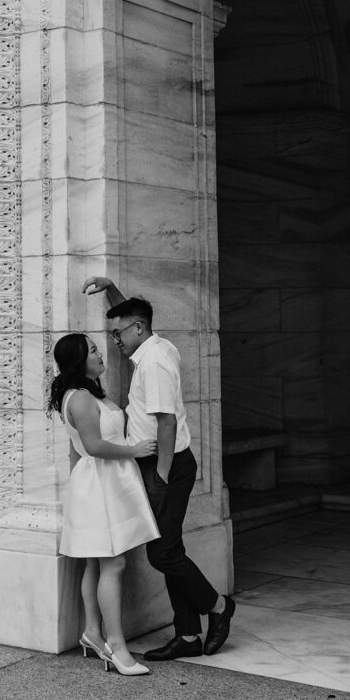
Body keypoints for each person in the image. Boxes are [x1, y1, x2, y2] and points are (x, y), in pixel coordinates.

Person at [82, 277, 236, 660]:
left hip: (166, 464)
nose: (114, 341)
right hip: (159, 462)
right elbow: (132, 314)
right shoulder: (155, 344)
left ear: (138, 329)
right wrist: (112, 288)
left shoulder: (153, 364)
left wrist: (162, 474)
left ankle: (218, 606)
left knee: (161, 553)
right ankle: (187, 637)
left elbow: (165, 422)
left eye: (118, 334)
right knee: (171, 548)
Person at [48, 332, 160, 676]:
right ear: (78, 360)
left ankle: (92, 633)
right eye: (93, 350)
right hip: (100, 484)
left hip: (104, 483)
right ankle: (117, 647)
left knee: (96, 566)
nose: (101, 354)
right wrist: (134, 451)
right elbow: (93, 446)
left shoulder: (89, 393)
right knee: (114, 565)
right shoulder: (80, 398)